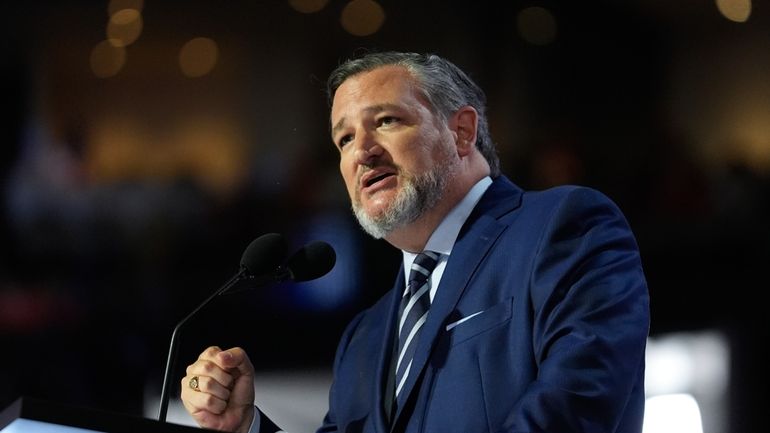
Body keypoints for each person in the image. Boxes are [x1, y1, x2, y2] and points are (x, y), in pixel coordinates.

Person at [180, 51, 650, 433]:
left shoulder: (562, 227)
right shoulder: (364, 336)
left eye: (384, 120)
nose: (361, 151)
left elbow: (574, 409)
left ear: (461, 132)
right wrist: (246, 427)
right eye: (343, 139)